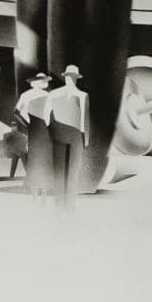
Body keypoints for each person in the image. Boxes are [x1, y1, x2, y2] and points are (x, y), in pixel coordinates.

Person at [45, 64, 89, 212]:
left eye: (73, 77)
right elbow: (46, 116)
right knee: (60, 173)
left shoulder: (82, 95)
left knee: (71, 174)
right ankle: (62, 208)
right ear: (66, 78)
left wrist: (84, 139)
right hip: (65, 134)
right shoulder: (54, 94)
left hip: (74, 135)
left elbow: (84, 120)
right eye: (70, 77)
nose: (71, 80)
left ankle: (68, 208)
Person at [15, 71, 54, 202]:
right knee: (45, 160)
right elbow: (50, 117)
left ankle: (35, 195)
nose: (46, 83)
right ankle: (43, 195)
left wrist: (27, 125)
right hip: (44, 129)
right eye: (43, 81)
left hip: (34, 129)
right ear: (37, 82)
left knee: (34, 160)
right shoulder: (48, 96)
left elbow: (16, 112)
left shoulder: (26, 95)